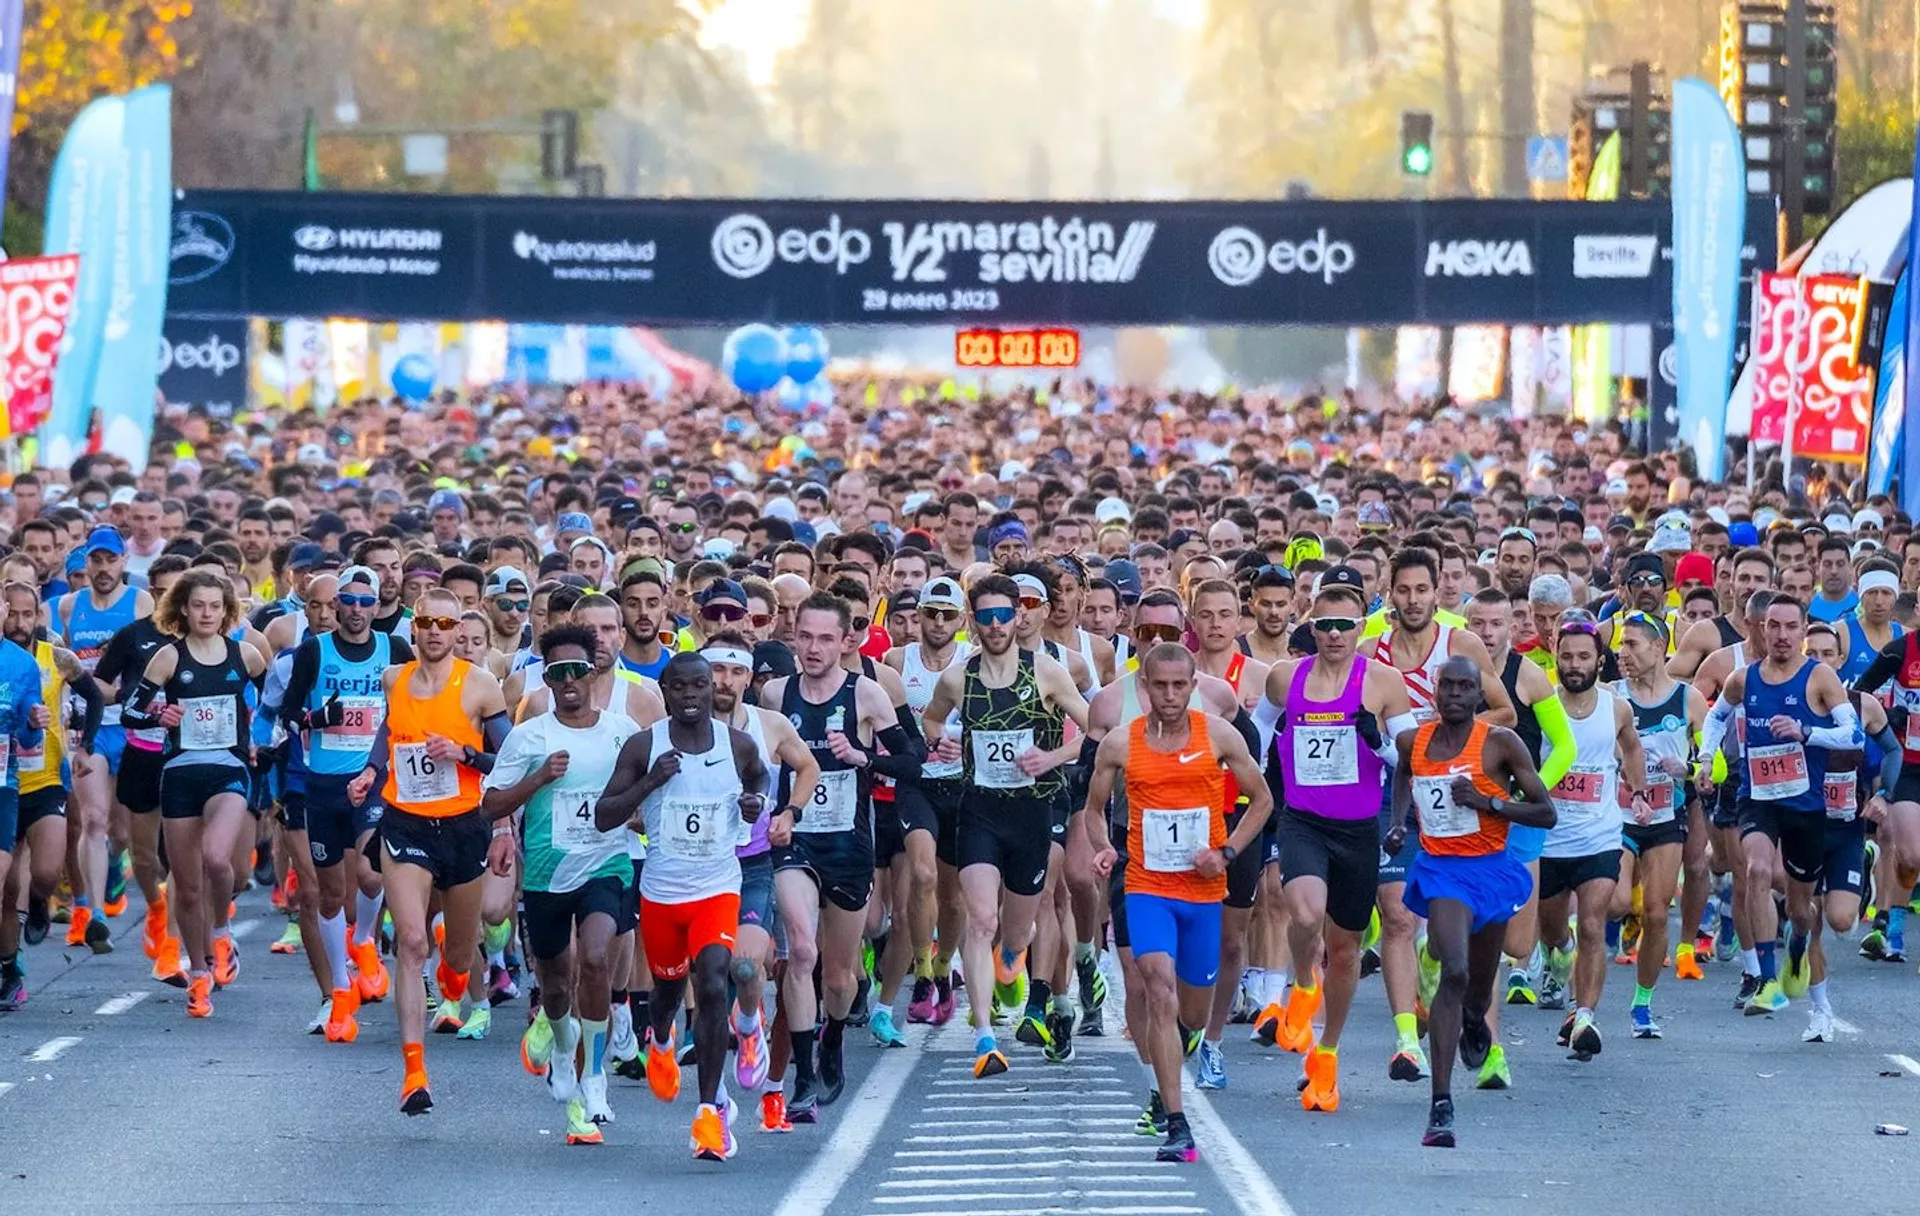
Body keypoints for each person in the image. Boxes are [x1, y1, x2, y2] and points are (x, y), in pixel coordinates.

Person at [1083, 643, 1271, 1163]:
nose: (1168, 695)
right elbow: (1094, 811)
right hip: (1147, 886)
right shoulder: (1120, 744)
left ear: (1192, 686)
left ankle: (1181, 1047)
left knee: (1190, 1009)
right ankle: (1177, 1121)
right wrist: (1104, 849)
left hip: (1204, 892)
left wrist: (1228, 851)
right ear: (1144, 686)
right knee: (1157, 991)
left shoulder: (1220, 735)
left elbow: (1262, 799)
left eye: (1178, 686)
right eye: (1158, 686)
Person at [594, 652, 769, 1162]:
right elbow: (605, 816)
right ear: (665, 692)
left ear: (711, 690)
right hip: (663, 894)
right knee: (668, 991)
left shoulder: (736, 744)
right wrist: (650, 782)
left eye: (700, 686)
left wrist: (755, 804)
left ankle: (709, 1114)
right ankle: (662, 1036)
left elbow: (759, 777)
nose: (692, 695)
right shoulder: (644, 746)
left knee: (714, 981)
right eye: (681, 687)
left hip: (717, 888)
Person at [347, 586, 511, 1114]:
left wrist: (464, 752)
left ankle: (456, 979)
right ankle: (414, 1072)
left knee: (458, 956)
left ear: (457, 632)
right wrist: (371, 772)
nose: (436, 633)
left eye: (446, 625)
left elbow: (508, 764)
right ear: (413, 629)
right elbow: (387, 735)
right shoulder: (394, 678)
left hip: (464, 828)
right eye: (427, 624)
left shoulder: (480, 686)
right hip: (407, 825)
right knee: (413, 940)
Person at [1255, 569, 1414, 1112]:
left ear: (1361, 624)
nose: (1335, 634)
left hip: (1358, 830)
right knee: (1303, 916)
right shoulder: (1285, 677)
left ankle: (1326, 1051)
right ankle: (1302, 982)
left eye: (1346, 624)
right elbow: (1258, 728)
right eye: (1324, 624)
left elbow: (1411, 756)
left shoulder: (1382, 683)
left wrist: (1380, 744)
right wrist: (1254, 775)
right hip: (1303, 821)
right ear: (1312, 626)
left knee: (1345, 951)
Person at [920, 573, 1089, 1079]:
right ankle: (985, 1037)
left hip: (1031, 814)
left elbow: (1093, 730)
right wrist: (941, 741)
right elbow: (931, 721)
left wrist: (1052, 756)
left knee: (1015, 934)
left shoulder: (1047, 674)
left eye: (1003, 616)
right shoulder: (957, 679)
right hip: (979, 812)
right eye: (985, 617)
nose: (995, 626)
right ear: (973, 621)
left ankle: (1012, 962)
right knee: (980, 919)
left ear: (1019, 617)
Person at [483, 624, 643, 1145]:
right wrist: (538, 780)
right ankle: (559, 1044)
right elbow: (491, 804)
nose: (570, 681)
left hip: (608, 864)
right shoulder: (531, 735)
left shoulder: (622, 731)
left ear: (595, 671)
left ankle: (595, 1078)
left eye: (579, 669)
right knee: (556, 983)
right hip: (550, 875)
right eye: (558, 673)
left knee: (595, 959)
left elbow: (639, 797)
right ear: (546, 678)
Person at [1387, 655, 1554, 1147]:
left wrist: (1488, 803)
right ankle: (1441, 1103)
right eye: (1448, 687)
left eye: (1466, 687)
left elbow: (1545, 812)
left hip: (1492, 870)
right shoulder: (1413, 741)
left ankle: (1476, 1019)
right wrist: (1399, 825)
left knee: (1478, 988)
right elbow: (1403, 776)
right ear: (1435, 692)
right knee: (1455, 971)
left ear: (1480, 696)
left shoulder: (1501, 744)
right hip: (1443, 872)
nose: (1455, 695)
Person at [761, 593, 916, 1118]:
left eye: (826, 638)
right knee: (802, 951)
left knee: (838, 976)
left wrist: (863, 757)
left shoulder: (867, 695)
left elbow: (912, 758)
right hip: (794, 839)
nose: (813, 648)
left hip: (849, 845)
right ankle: (802, 1076)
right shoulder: (776, 693)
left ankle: (831, 1035)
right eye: (804, 636)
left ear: (847, 640)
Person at [1369, 549, 1513, 1082]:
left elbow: (1505, 712)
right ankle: (1408, 1040)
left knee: (1477, 928)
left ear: (1438, 592)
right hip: (1397, 792)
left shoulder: (1461, 646)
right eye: (1402, 591)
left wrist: (1447, 733)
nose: (1412, 600)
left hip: (1458, 795)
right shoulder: (1372, 653)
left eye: (1421, 590)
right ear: (1390, 594)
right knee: (1398, 914)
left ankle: (1490, 1045)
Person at [1700, 594, 1858, 1017]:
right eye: (1774, 626)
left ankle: (1798, 943)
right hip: (1757, 797)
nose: (1782, 635)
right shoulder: (1743, 679)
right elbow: (1716, 717)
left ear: (1804, 631)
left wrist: (1806, 732)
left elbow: (1853, 735)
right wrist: (1704, 757)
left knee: (1801, 907)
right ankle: (1767, 981)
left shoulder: (1820, 677)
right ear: (1760, 628)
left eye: (1791, 627)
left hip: (1804, 805)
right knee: (1754, 870)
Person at [121, 571, 267, 1019]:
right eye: (198, 605)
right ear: (183, 607)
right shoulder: (168, 657)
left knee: (218, 861)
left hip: (228, 770)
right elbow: (129, 710)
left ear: (227, 611)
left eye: (215, 606)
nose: (207, 613)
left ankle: (221, 930)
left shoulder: (245, 656)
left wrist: (259, 736)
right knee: (184, 887)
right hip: (181, 772)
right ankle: (200, 974)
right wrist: (158, 717)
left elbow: (274, 703)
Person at [280, 565, 414, 1041]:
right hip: (323, 783)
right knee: (331, 893)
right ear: (336, 605)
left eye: (366, 602)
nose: (357, 610)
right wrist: (318, 716)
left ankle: (364, 941)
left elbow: (413, 701)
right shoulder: (314, 651)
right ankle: (340, 987)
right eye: (349, 601)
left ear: (377, 607)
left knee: (372, 871)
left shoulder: (395, 649)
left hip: (374, 778)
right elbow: (288, 709)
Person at [703, 632, 819, 1133]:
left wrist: (791, 811)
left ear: (748, 678)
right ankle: (717, 1104)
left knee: (749, 968)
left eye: (735, 672)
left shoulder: (768, 725)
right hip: (698, 867)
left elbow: (809, 765)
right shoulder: (677, 730)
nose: (724, 682)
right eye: (716, 671)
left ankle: (752, 1031)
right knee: (709, 983)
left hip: (754, 865)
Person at [1531, 610, 1646, 1061]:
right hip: (1550, 838)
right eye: (1567, 656)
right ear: (1555, 658)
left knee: (1595, 924)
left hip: (1600, 835)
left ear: (1600, 661)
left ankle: (1584, 1017)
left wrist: (1637, 793)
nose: (1575, 664)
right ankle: (1558, 960)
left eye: (1584, 656)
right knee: (1554, 931)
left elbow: (1632, 745)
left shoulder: (1616, 706)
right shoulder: (1543, 706)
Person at [55, 527, 153, 953]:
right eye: (95, 560)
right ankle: (95, 915)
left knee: (122, 829)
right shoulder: (69, 606)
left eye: (110, 560)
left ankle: (115, 865)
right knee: (92, 819)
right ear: (86, 564)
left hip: (130, 725)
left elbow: (147, 665)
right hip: (89, 728)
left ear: (123, 562)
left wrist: (121, 690)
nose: (103, 569)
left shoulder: (141, 603)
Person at [1801, 622, 1899, 1041]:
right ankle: (1819, 1010)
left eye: (1829, 655)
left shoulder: (1864, 705)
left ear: (1841, 660)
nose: (1821, 662)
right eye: (1813, 655)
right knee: (1808, 918)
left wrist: (1887, 796)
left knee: (1841, 921)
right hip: (1800, 828)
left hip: (1846, 830)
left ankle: (1867, 861)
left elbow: (1894, 750)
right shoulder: (1787, 704)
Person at [1611, 612, 1706, 1038]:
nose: (1623, 652)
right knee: (1611, 904)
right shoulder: (1610, 697)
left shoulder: (1689, 700)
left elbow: (1712, 768)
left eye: (1632, 644)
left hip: (1667, 817)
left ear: (1658, 647)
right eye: (1621, 644)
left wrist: (1684, 767)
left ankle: (1642, 1005)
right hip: (1617, 817)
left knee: (1655, 913)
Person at [884, 576, 970, 1031]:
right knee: (921, 874)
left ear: (961, 620)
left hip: (960, 785)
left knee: (953, 898)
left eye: (948, 615)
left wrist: (966, 748)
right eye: (930, 613)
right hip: (916, 782)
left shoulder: (975, 663)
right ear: (917, 615)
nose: (938, 623)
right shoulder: (896, 662)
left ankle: (943, 965)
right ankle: (921, 971)